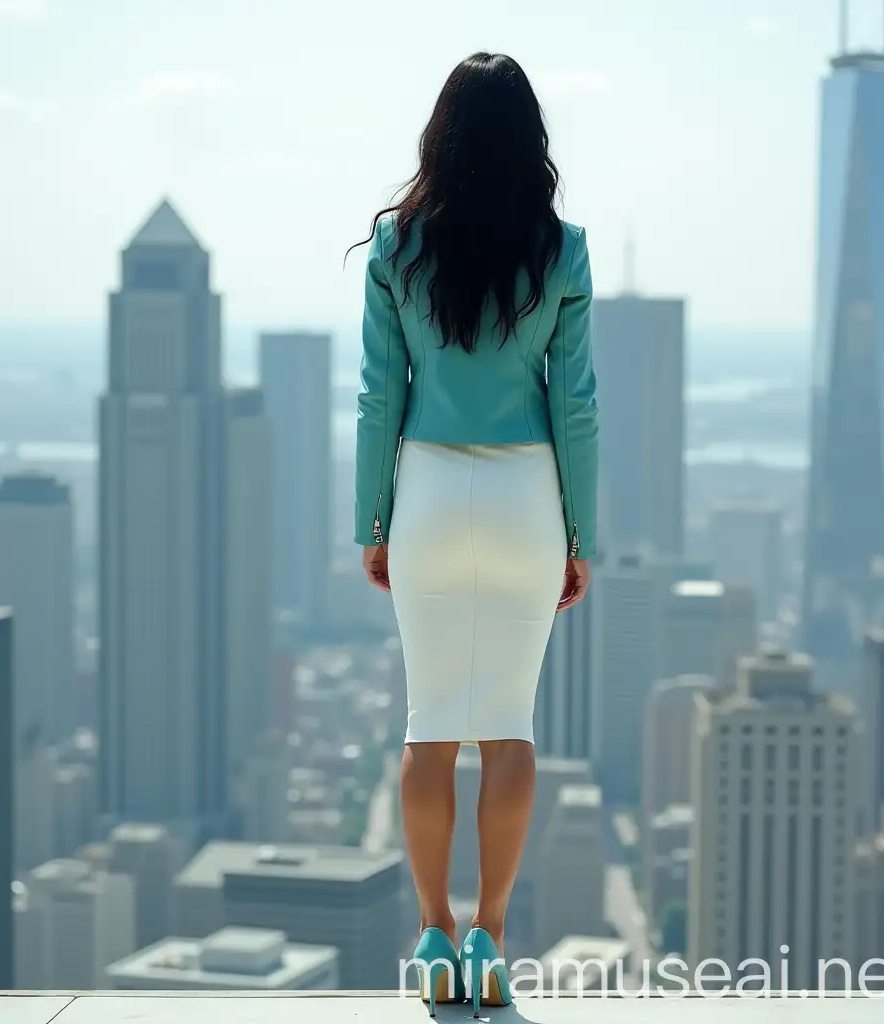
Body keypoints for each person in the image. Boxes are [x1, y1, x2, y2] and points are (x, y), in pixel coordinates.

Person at [350, 51, 598, 1016]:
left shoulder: (394, 248)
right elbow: (575, 404)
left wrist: (374, 521)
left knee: (429, 731)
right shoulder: (563, 248)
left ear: (440, 136)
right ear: (529, 139)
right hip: (527, 494)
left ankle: (435, 930)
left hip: (426, 486)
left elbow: (380, 395)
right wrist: (582, 534)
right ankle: (492, 934)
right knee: (508, 729)